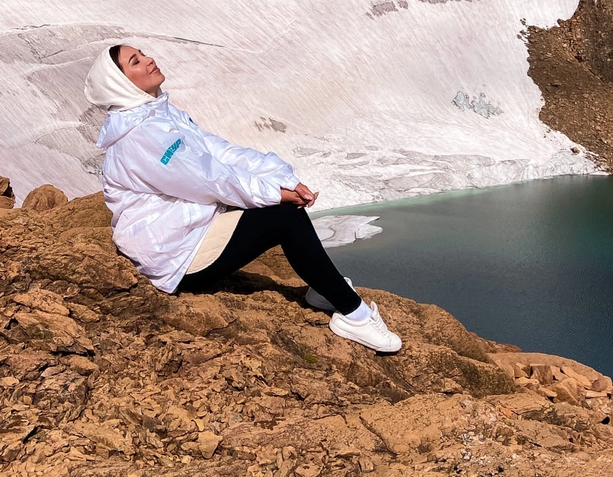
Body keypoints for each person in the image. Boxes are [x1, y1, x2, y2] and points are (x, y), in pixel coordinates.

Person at [84, 43, 401, 354]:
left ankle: (323, 290)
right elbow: (206, 180)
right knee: (284, 217)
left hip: (191, 229)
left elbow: (219, 153)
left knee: (277, 207)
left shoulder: (159, 115)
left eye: (142, 54)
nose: (149, 60)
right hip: (175, 253)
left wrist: (283, 178)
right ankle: (354, 314)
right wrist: (277, 194)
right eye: (135, 61)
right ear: (120, 84)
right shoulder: (140, 137)